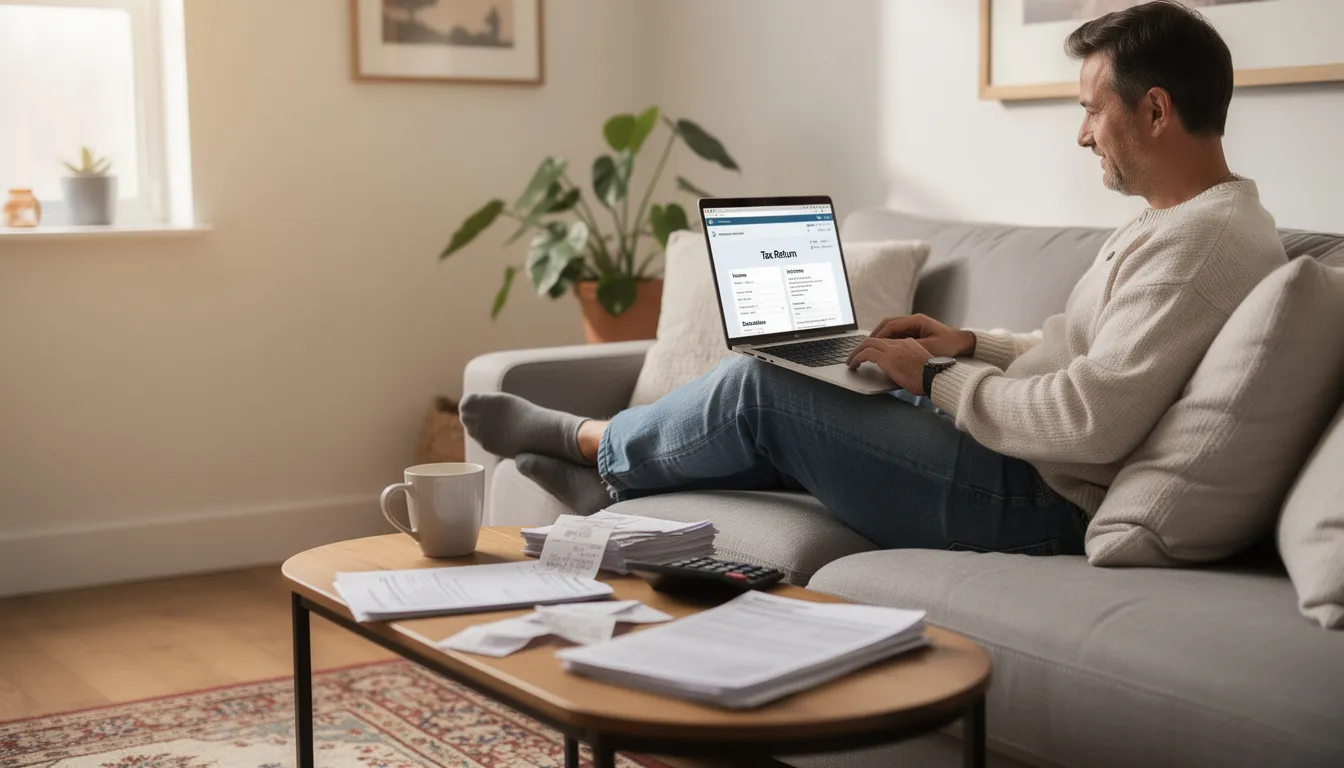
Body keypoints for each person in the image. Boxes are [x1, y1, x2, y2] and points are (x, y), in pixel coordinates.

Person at [460, 0, 1286, 555]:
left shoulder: (1201, 248)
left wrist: (934, 379)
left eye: (1089, 109)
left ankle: (590, 445)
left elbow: (1089, 420)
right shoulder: (1184, 222)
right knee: (822, 378)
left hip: (1043, 497)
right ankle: (615, 470)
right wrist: (967, 342)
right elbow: (1088, 356)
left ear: (1154, 111)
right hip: (1017, 456)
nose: (1081, 135)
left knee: (762, 389)